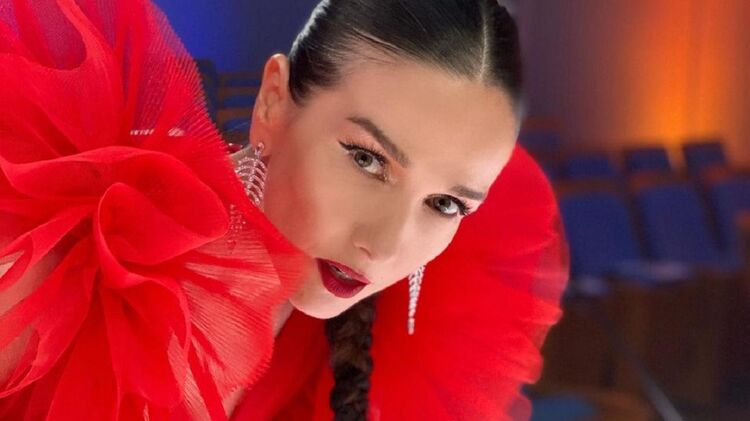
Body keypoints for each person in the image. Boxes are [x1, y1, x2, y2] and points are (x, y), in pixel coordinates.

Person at [0, 0, 568, 419]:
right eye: (367, 160)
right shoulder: (56, 260)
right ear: (273, 102)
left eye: (444, 204)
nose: (385, 245)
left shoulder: (357, 350)